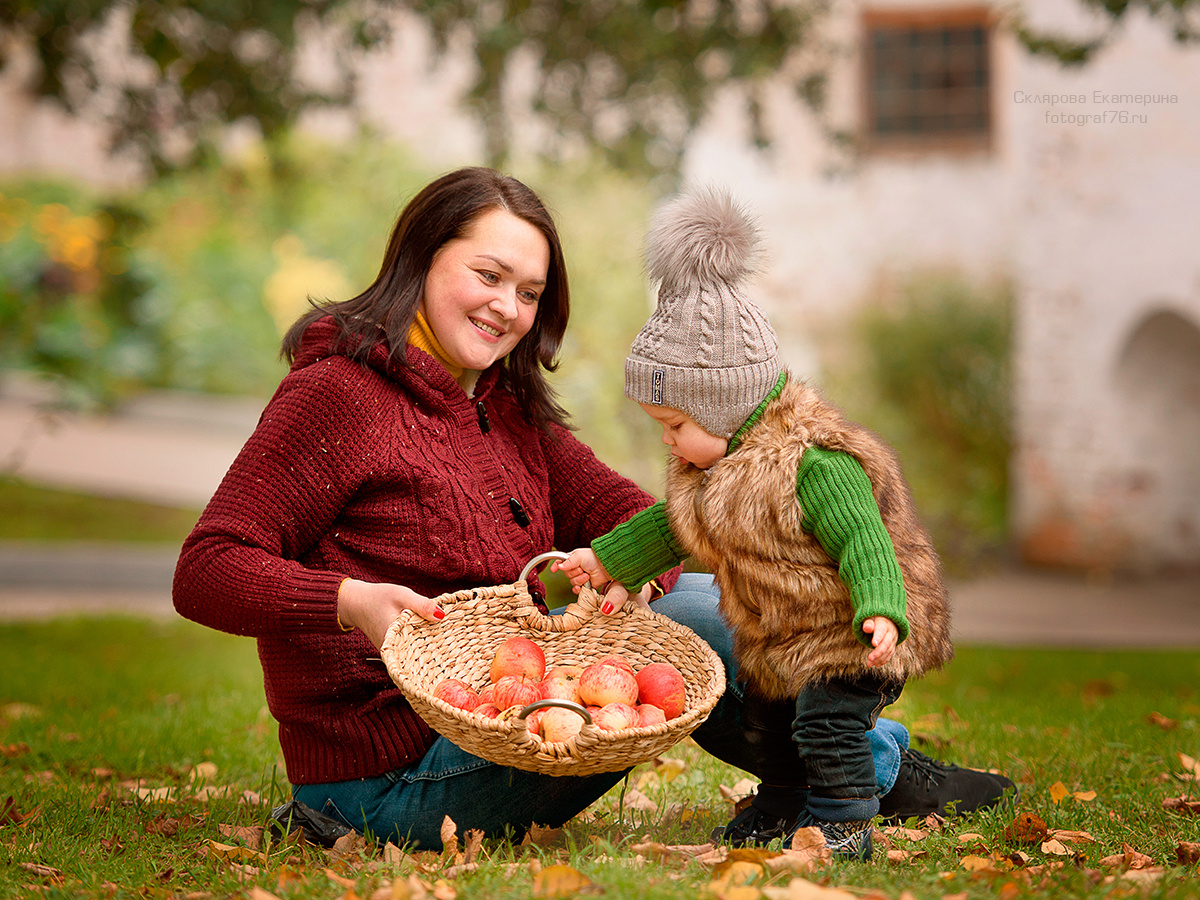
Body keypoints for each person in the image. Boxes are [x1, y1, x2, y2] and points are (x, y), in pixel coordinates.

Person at [173, 167, 1012, 853]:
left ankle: (851, 768)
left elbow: (633, 514)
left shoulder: (503, 406)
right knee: (700, 616)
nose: (507, 308)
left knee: (701, 599)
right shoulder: (336, 396)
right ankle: (871, 772)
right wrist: (349, 600)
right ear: (421, 259)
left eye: (529, 292)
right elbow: (206, 568)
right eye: (488, 276)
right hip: (388, 780)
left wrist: (631, 575)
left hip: (510, 715)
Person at [555, 188, 1001, 861]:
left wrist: (881, 609)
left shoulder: (812, 463)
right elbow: (670, 529)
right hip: (782, 634)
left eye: (676, 424)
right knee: (769, 721)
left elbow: (865, 540)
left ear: (725, 404)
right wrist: (607, 560)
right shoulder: (712, 470)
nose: (669, 442)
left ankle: (844, 826)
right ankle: (783, 804)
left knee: (825, 727)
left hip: (850, 630)